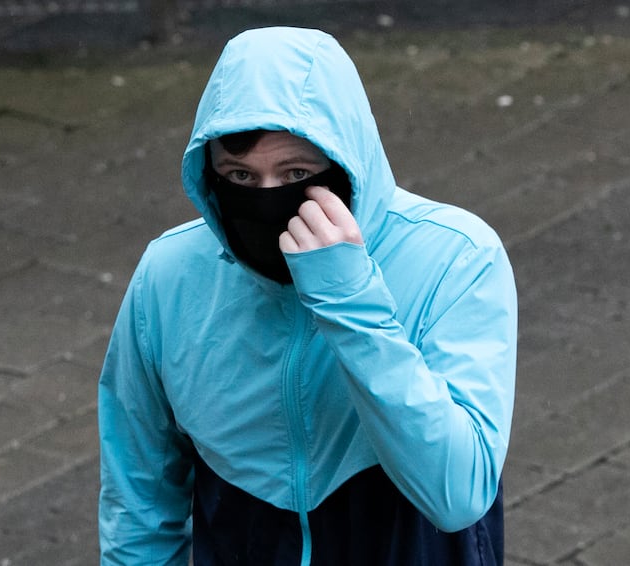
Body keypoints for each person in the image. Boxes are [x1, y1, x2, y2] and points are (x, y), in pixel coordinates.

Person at [99, 26, 517, 566]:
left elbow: (456, 495)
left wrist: (350, 304)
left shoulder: (457, 258)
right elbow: (140, 494)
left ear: (346, 166)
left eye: (296, 173)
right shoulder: (169, 275)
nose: (268, 199)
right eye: (240, 176)